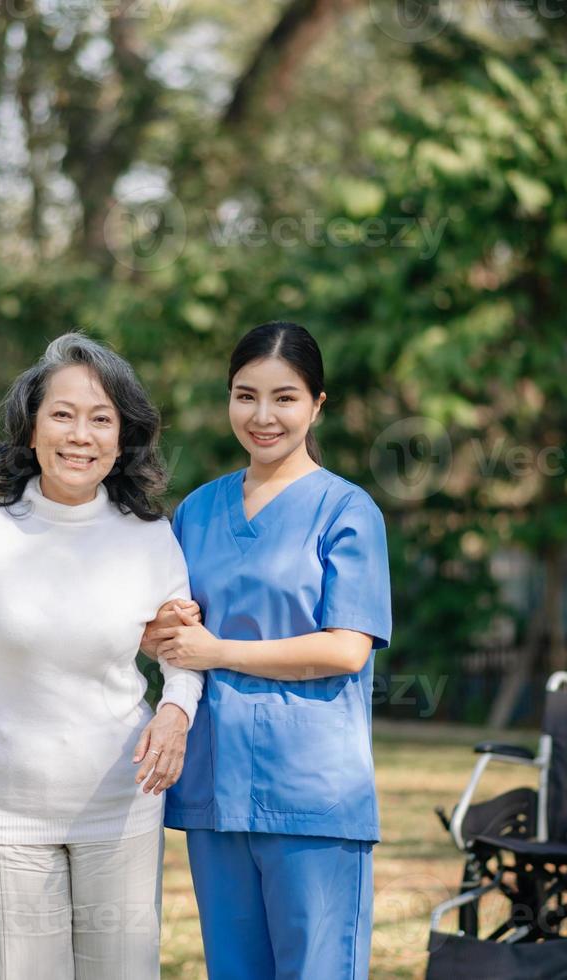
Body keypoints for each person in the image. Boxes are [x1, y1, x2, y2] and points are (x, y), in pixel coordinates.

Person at [0, 333, 202, 980]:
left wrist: (175, 711)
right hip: (5, 810)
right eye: (62, 414)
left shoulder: (150, 539)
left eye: (101, 419)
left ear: (123, 440)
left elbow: (183, 650)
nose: (80, 435)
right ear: (30, 429)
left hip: (123, 802)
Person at [144, 321, 393, 979]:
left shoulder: (347, 510)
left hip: (312, 795)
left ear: (317, 404)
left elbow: (346, 649)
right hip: (216, 789)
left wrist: (217, 649)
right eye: (244, 395)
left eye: (284, 397)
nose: (262, 415)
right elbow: (173, 639)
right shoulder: (197, 510)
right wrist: (159, 632)